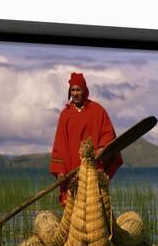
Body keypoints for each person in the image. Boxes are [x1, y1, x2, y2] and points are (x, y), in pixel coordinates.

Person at [50, 72, 123, 206]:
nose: (75, 93)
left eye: (78, 90)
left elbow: (108, 133)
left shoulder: (98, 110)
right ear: (69, 92)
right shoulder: (65, 115)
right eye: (73, 90)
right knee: (74, 210)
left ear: (85, 91)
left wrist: (101, 147)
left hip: (93, 168)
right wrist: (60, 171)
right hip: (72, 169)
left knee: (94, 209)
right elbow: (59, 144)